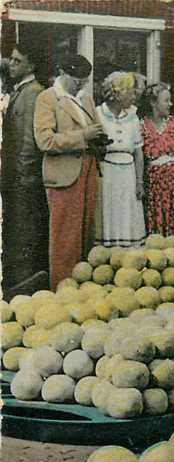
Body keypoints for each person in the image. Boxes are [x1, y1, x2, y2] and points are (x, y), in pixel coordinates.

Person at [34, 54, 103, 289]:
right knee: (65, 237)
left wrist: (99, 138)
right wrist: (83, 136)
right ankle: (62, 290)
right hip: (63, 174)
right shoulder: (47, 98)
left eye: (84, 81)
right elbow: (44, 141)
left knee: (86, 234)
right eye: (76, 80)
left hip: (88, 169)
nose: (81, 85)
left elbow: (95, 129)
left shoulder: (86, 99)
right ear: (62, 72)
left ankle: (82, 288)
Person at [1, 41, 48, 293]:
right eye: (11, 59)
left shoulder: (32, 93)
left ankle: (23, 288)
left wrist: (23, 178)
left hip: (23, 180)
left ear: (32, 65)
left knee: (24, 233)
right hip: (13, 177)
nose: (11, 64)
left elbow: (29, 142)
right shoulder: (19, 90)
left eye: (18, 61)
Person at [95, 71, 146, 248]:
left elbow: (138, 152)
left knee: (127, 214)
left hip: (128, 174)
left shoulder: (133, 116)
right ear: (117, 93)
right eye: (131, 91)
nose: (134, 95)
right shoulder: (97, 114)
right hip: (106, 173)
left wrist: (139, 182)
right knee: (108, 213)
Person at [139, 82, 174, 237]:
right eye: (166, 100)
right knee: (156, 222)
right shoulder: (142, 126)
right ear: (153, 103)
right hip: (155, 185)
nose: (170, 104)